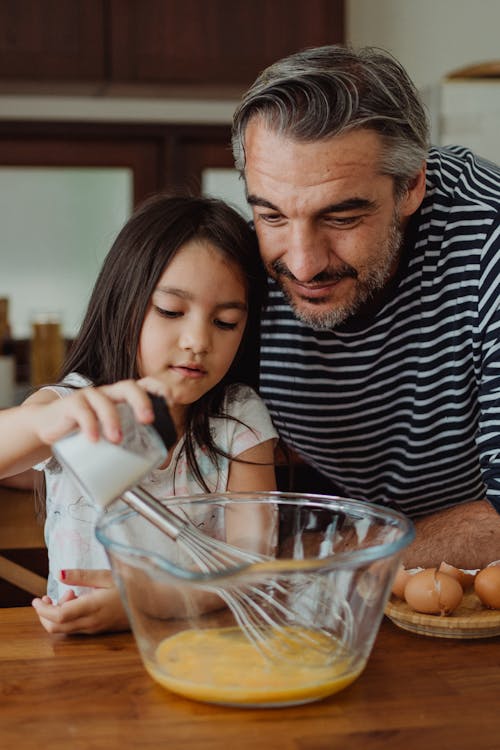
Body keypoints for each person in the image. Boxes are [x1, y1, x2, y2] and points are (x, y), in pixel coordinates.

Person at [231, 44, 500, 571]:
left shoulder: (488, 244)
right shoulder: (238, 264)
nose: (304, 266)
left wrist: (310, 569)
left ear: (412, 185)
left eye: (342, 218)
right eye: (273, 216)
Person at [0, 194, 278, 633]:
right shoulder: (76, 405)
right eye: (171, 311)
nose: (197, 340)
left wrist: (151, 601)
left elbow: (251, 568)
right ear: (123, 301)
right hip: (83, 660)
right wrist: (43, 422)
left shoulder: (238, 420)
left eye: (225, 322)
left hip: (199, 646)